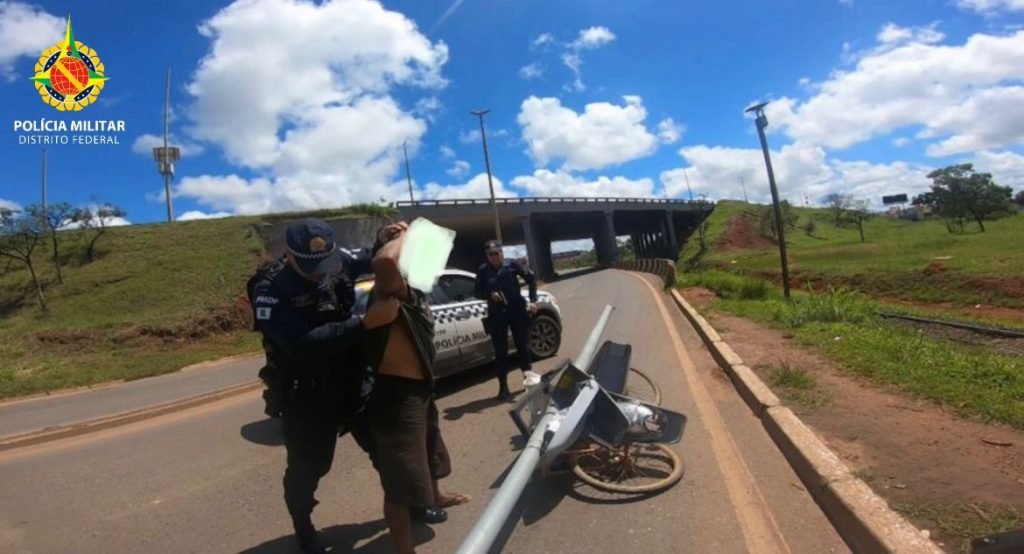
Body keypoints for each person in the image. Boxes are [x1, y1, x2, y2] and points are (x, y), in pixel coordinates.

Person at [248, 218, 406, 554]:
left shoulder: (337, 260)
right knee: (309, 468)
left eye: (325, 264)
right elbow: (301, 343)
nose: (320, 272)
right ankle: (303, 527)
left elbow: (367, 258)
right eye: (311, 266)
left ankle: (407, 504)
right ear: (289, 255)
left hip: (352, 379)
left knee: (386, 448)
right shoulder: (268, 286)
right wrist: (364, 323)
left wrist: (383, 238)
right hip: (307, 392)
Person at [363, 223, 471, 554]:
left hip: (420, 388)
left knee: (430, 449)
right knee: (401, 478)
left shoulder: (413, 290)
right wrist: (400, 237)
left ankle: (436, 495)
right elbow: (384, 264)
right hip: (395, 396)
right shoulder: (389, 291)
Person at [474, 239, 538, 400]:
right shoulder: (483, 271)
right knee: (500, 353)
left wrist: (533, 301)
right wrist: (489, 294)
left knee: (523, 347)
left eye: (496, 253)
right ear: (487, 256)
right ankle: (503, 387)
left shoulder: (513, 266)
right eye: (490, 254)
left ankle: (528, 381)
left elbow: (531, 280)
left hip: (517, 312)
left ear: (502, 253)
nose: (494, 257)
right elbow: (477, 293)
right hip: (497, 315)